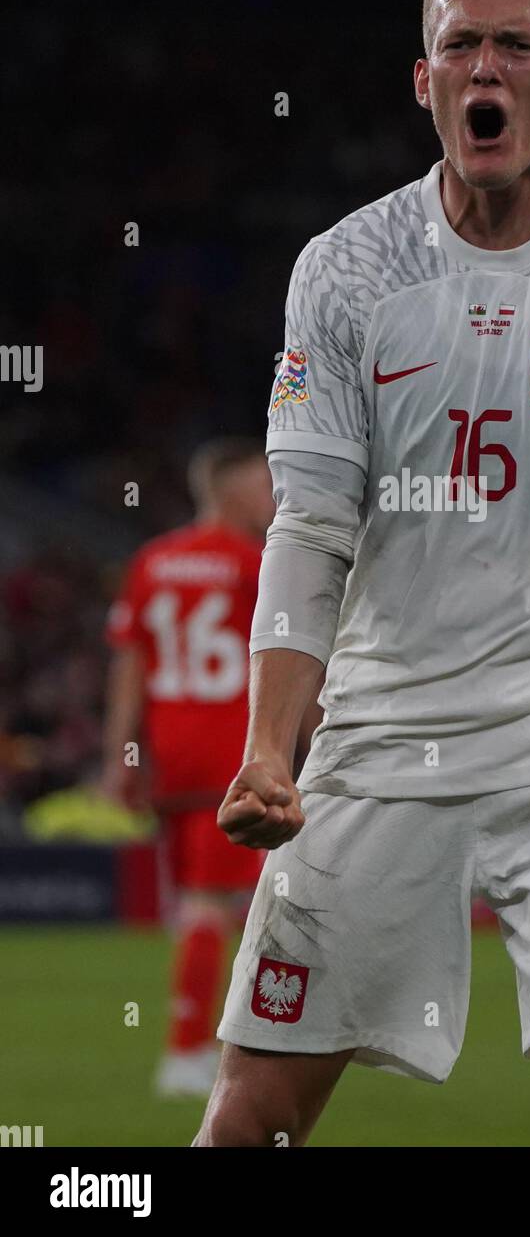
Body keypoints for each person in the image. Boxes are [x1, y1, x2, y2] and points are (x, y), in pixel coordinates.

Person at [197, 0, 530, 1148]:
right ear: (422, 78)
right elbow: (311, 525)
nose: (485, 67)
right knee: (248, 1121)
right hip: (384, 731)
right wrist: (271, 746)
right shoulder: (345, 267)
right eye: (458, 44)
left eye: (516, 44)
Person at [104, 437, 321, 1096]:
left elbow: (130, 663)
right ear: (228, 490)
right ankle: (190, 1050)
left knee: (203, 902)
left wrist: (122, 753)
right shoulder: (256, 564)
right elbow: (292, 656)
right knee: (221, 904)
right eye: (262, 485)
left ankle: (215, 1040)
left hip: (171, 753)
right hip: (235, 753)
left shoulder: (153, 560)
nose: (271, 496)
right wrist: (322, 737)